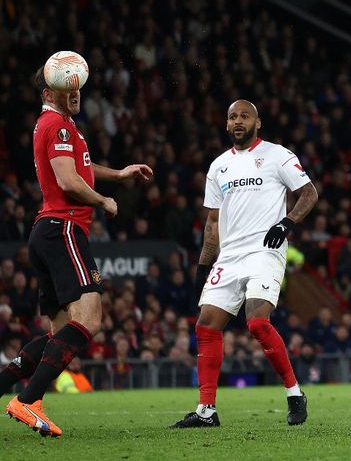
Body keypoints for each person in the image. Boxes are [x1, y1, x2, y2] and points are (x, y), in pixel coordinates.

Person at [3, 64, 152, 437]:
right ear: (47, 93)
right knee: (91, 318)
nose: (74, 93)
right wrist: (104, 201)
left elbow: (78, 167)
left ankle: (10, 384)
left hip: (46, 231)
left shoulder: (58, 126)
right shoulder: (58, 126)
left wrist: (117, 174)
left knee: (59, 333)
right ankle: (28, 399)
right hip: (64, 227)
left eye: (77, 87)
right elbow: (68, 180)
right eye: (64, 87)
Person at [170, 100, 318, 428]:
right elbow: (212, 224)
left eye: (244, 116)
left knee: (256, 322)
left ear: (257, 122)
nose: (238, 121)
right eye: (233, 117)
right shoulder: (219, 166)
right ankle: (206, 411)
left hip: (266, 250)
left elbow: (309, 194)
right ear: (226, 124)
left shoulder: (278, 155)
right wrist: (203, 267)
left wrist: (287, 223)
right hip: (230, 255)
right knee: (206, 324)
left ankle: (294, 393)